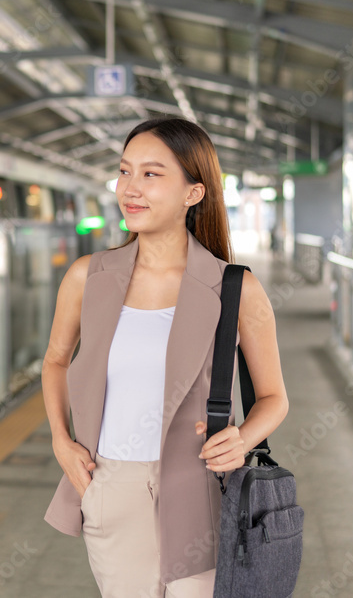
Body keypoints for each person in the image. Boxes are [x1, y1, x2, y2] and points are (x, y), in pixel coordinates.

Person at [42, 117, 290, 597]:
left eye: (151, 175)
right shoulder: (86, 277)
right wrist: (60, 439)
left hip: (202, 487)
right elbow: (55, 361)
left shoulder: (235, 288)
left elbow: (275, 398)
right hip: (111, 484)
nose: (130, 189)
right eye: (124, 171)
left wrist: (242, 438)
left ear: (193, 193)